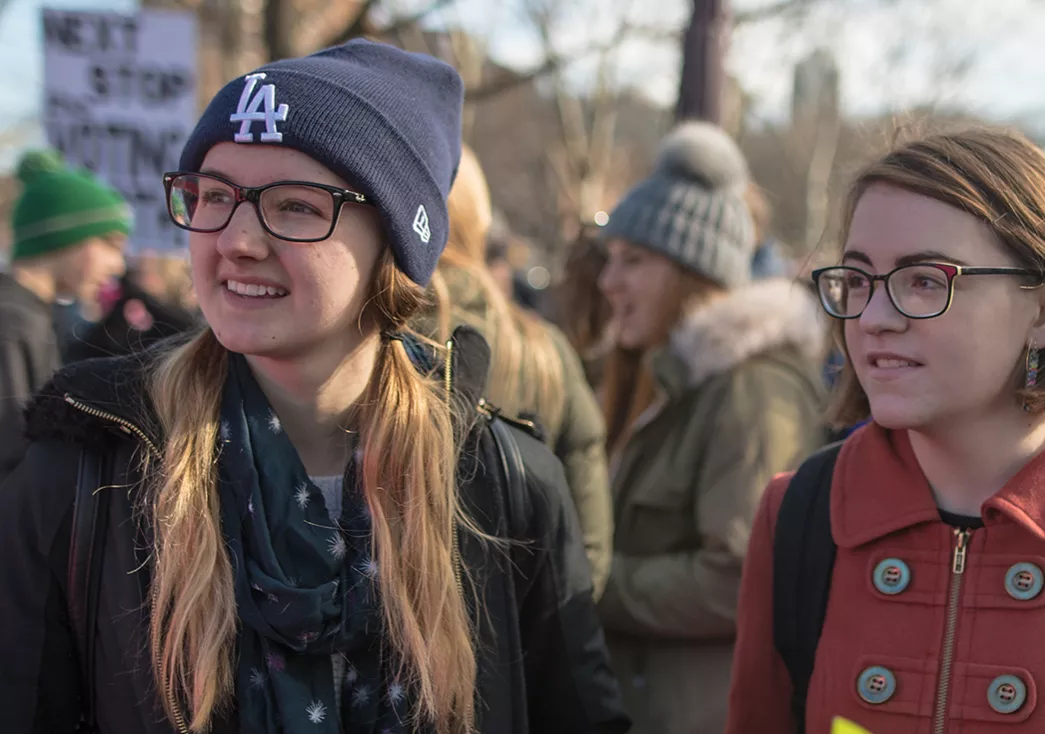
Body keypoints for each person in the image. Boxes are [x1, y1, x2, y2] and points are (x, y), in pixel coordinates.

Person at [0, 40, 628, 734]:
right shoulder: (86, 473)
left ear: (392, 244)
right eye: (213, 196)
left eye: (294, 206)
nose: (236, 239)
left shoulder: (505, 484)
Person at [726, 126, 1045, 733]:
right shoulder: (801, 514)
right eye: (858, 278)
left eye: (924, 280)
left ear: (1040, 310)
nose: (873, 318)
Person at [595, 120, 826, 734]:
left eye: (633, 261)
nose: (607, 281)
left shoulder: (754, 392)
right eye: (609, 258)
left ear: (690, 273)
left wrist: (588, 578)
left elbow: (736, 577)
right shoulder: (667, 379)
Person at [415, 145, 614, 598]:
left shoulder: (361, 336)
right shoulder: (547, 351)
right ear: (482, 223)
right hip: (518, 642)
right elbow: (589, 553)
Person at [0, 149, 130, 484]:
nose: (117, 265)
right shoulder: (13, 322)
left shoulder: (31, 315)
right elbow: (13, 457)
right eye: (110, 244)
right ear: (67, 236)